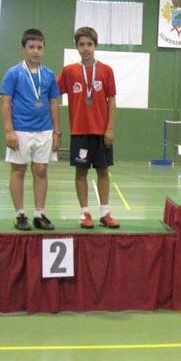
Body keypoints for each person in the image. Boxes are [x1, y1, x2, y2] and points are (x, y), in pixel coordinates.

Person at [57, 26, 120, 228]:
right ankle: (85, 213)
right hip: (79, 132)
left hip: (101, 132)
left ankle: (105, 212)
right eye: (81, 44)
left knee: (103, 171)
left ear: (95, 45)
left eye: (89, 44)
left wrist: (110, 128)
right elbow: (52, 92)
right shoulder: (69, 71)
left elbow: (112, 100)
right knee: (81, 172)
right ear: (76, 47)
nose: (85, 48)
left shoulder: (106, 70)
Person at [0, 28, 61, 231]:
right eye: (31, 47)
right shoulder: (13, 73)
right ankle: (20, 215)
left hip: (44, 130)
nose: (35, 51)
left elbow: (53, 103)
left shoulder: (49, 74)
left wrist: (57, 132)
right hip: (20, 130)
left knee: (41, 170)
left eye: (39, 47)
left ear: (44, 49)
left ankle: (38, 214)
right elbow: (5, 103)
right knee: (19, 170)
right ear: (23, 49)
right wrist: (9, 131)